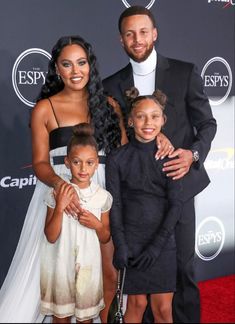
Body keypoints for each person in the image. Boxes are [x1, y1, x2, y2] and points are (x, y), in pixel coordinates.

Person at [0, 35, 127, 323]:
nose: (75, 71)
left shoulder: (109, 106)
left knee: (108, 271)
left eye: (81, 63)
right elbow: (40, 163)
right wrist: (62, 188)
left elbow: (122, 157)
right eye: (67, 64)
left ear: (90, 66)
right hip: (60, 196)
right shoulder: (46, 108)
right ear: (57, 69)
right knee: (61, 278)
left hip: (102, 194)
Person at [103, 6, 217, 323]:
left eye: (143, 31)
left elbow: (207, 125)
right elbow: (114, 140)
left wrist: (192, 154)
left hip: (176, 187)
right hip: (136, 197)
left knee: (182, 267)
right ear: (121, 40)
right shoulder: (111, 86)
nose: (137, 39)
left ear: (154, 33)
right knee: (139, 276)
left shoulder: (184, 72)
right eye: (130, 34)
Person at [105, 88, 210, 323]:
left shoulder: (171, 157)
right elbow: (116, 204)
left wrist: (156, 246)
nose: (148, 122)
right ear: (130, 121)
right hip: (131, 240)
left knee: (163, 309)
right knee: (136, 304)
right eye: (141, 116)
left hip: (162, 241)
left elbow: (175, 206)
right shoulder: (116, 158)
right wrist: (120, 245)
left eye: (154, 116)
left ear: (163, 120)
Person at [41, 123, 113, 323]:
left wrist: (97, 225)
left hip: (89, 270)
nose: (83, 168)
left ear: (97, 164)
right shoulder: (56, 193)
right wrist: (60, 206)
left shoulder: (103, 197)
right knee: (61, 318)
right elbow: (51, 236)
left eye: (89, 163)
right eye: (77, 162)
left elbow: (105, 237)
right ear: (66, 162)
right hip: (60, 267)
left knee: (85, 319)